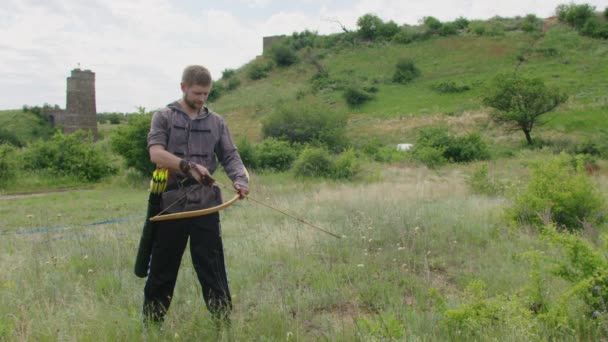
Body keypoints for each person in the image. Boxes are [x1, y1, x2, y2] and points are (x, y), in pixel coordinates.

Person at [143, 65, 249, 326]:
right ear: (183, 87)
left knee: (212, 268)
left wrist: (240, 178)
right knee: (162, 270)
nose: (201, 99)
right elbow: (156, 154)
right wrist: (188, 167)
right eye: (197, 93)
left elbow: (230, 155)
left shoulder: (217, 122)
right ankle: (152, 327)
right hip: (170, 204)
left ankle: (223, 325)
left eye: (206, 94)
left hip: (206, 205)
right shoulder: (164, 116)